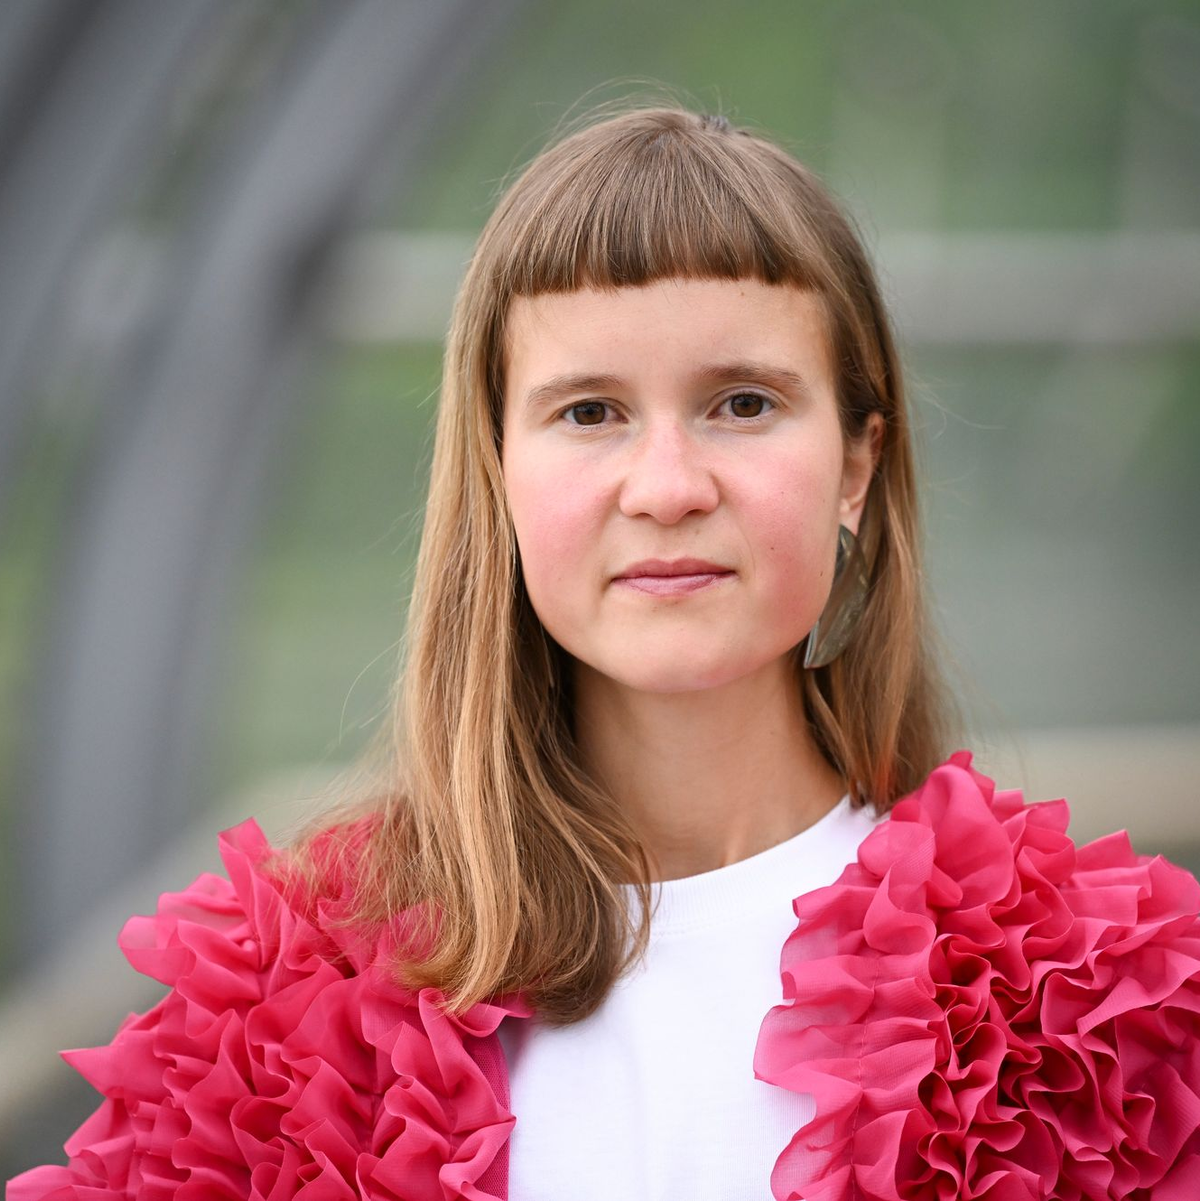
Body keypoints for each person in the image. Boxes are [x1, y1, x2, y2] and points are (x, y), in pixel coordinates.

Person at [9, 102, 1200, 1201]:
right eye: (590, 411)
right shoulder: (269, 1016)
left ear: (857, 463)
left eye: (743, 401)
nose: (670, 487)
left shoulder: (1104, 999)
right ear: (498, 469)